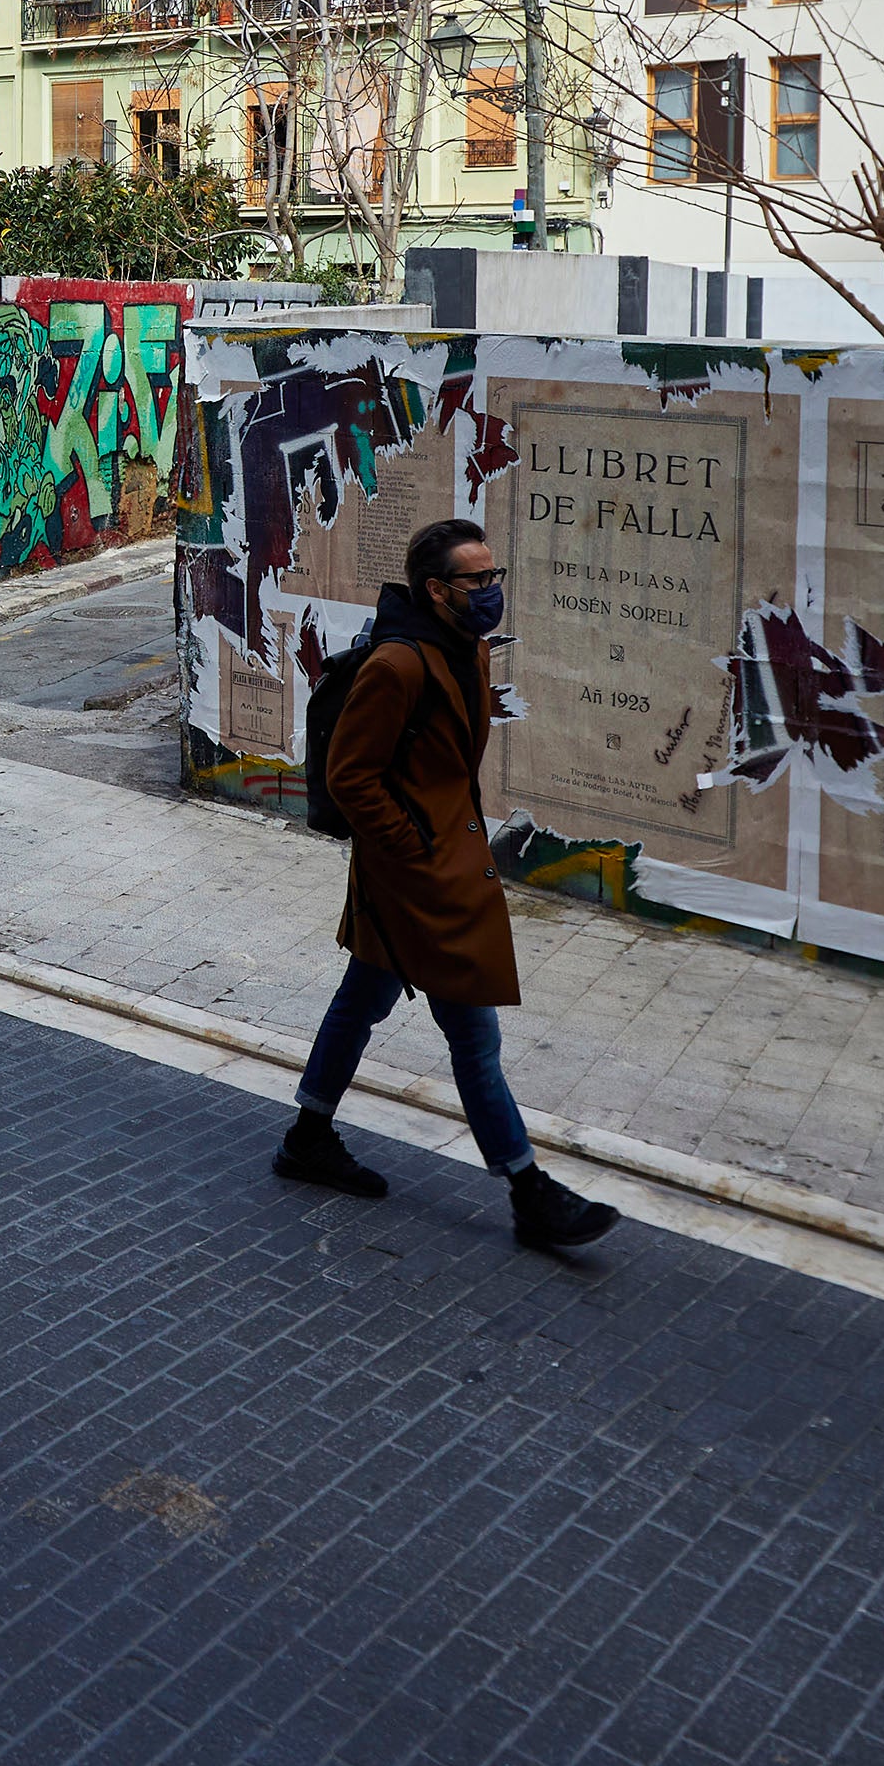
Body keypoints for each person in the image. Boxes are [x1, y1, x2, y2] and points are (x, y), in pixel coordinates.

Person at [274, 515, 620, 1251]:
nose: (492, 590)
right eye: (478, 580)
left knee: (361, 1000)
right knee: (473, 1032)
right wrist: (414, 847)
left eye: (496, 576)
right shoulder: (400, 665)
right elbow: (350, 776)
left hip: (432, 865)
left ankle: (307, 1133)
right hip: (415, 876)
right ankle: (530, 1189)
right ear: (436, 589)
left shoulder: (465, 649)